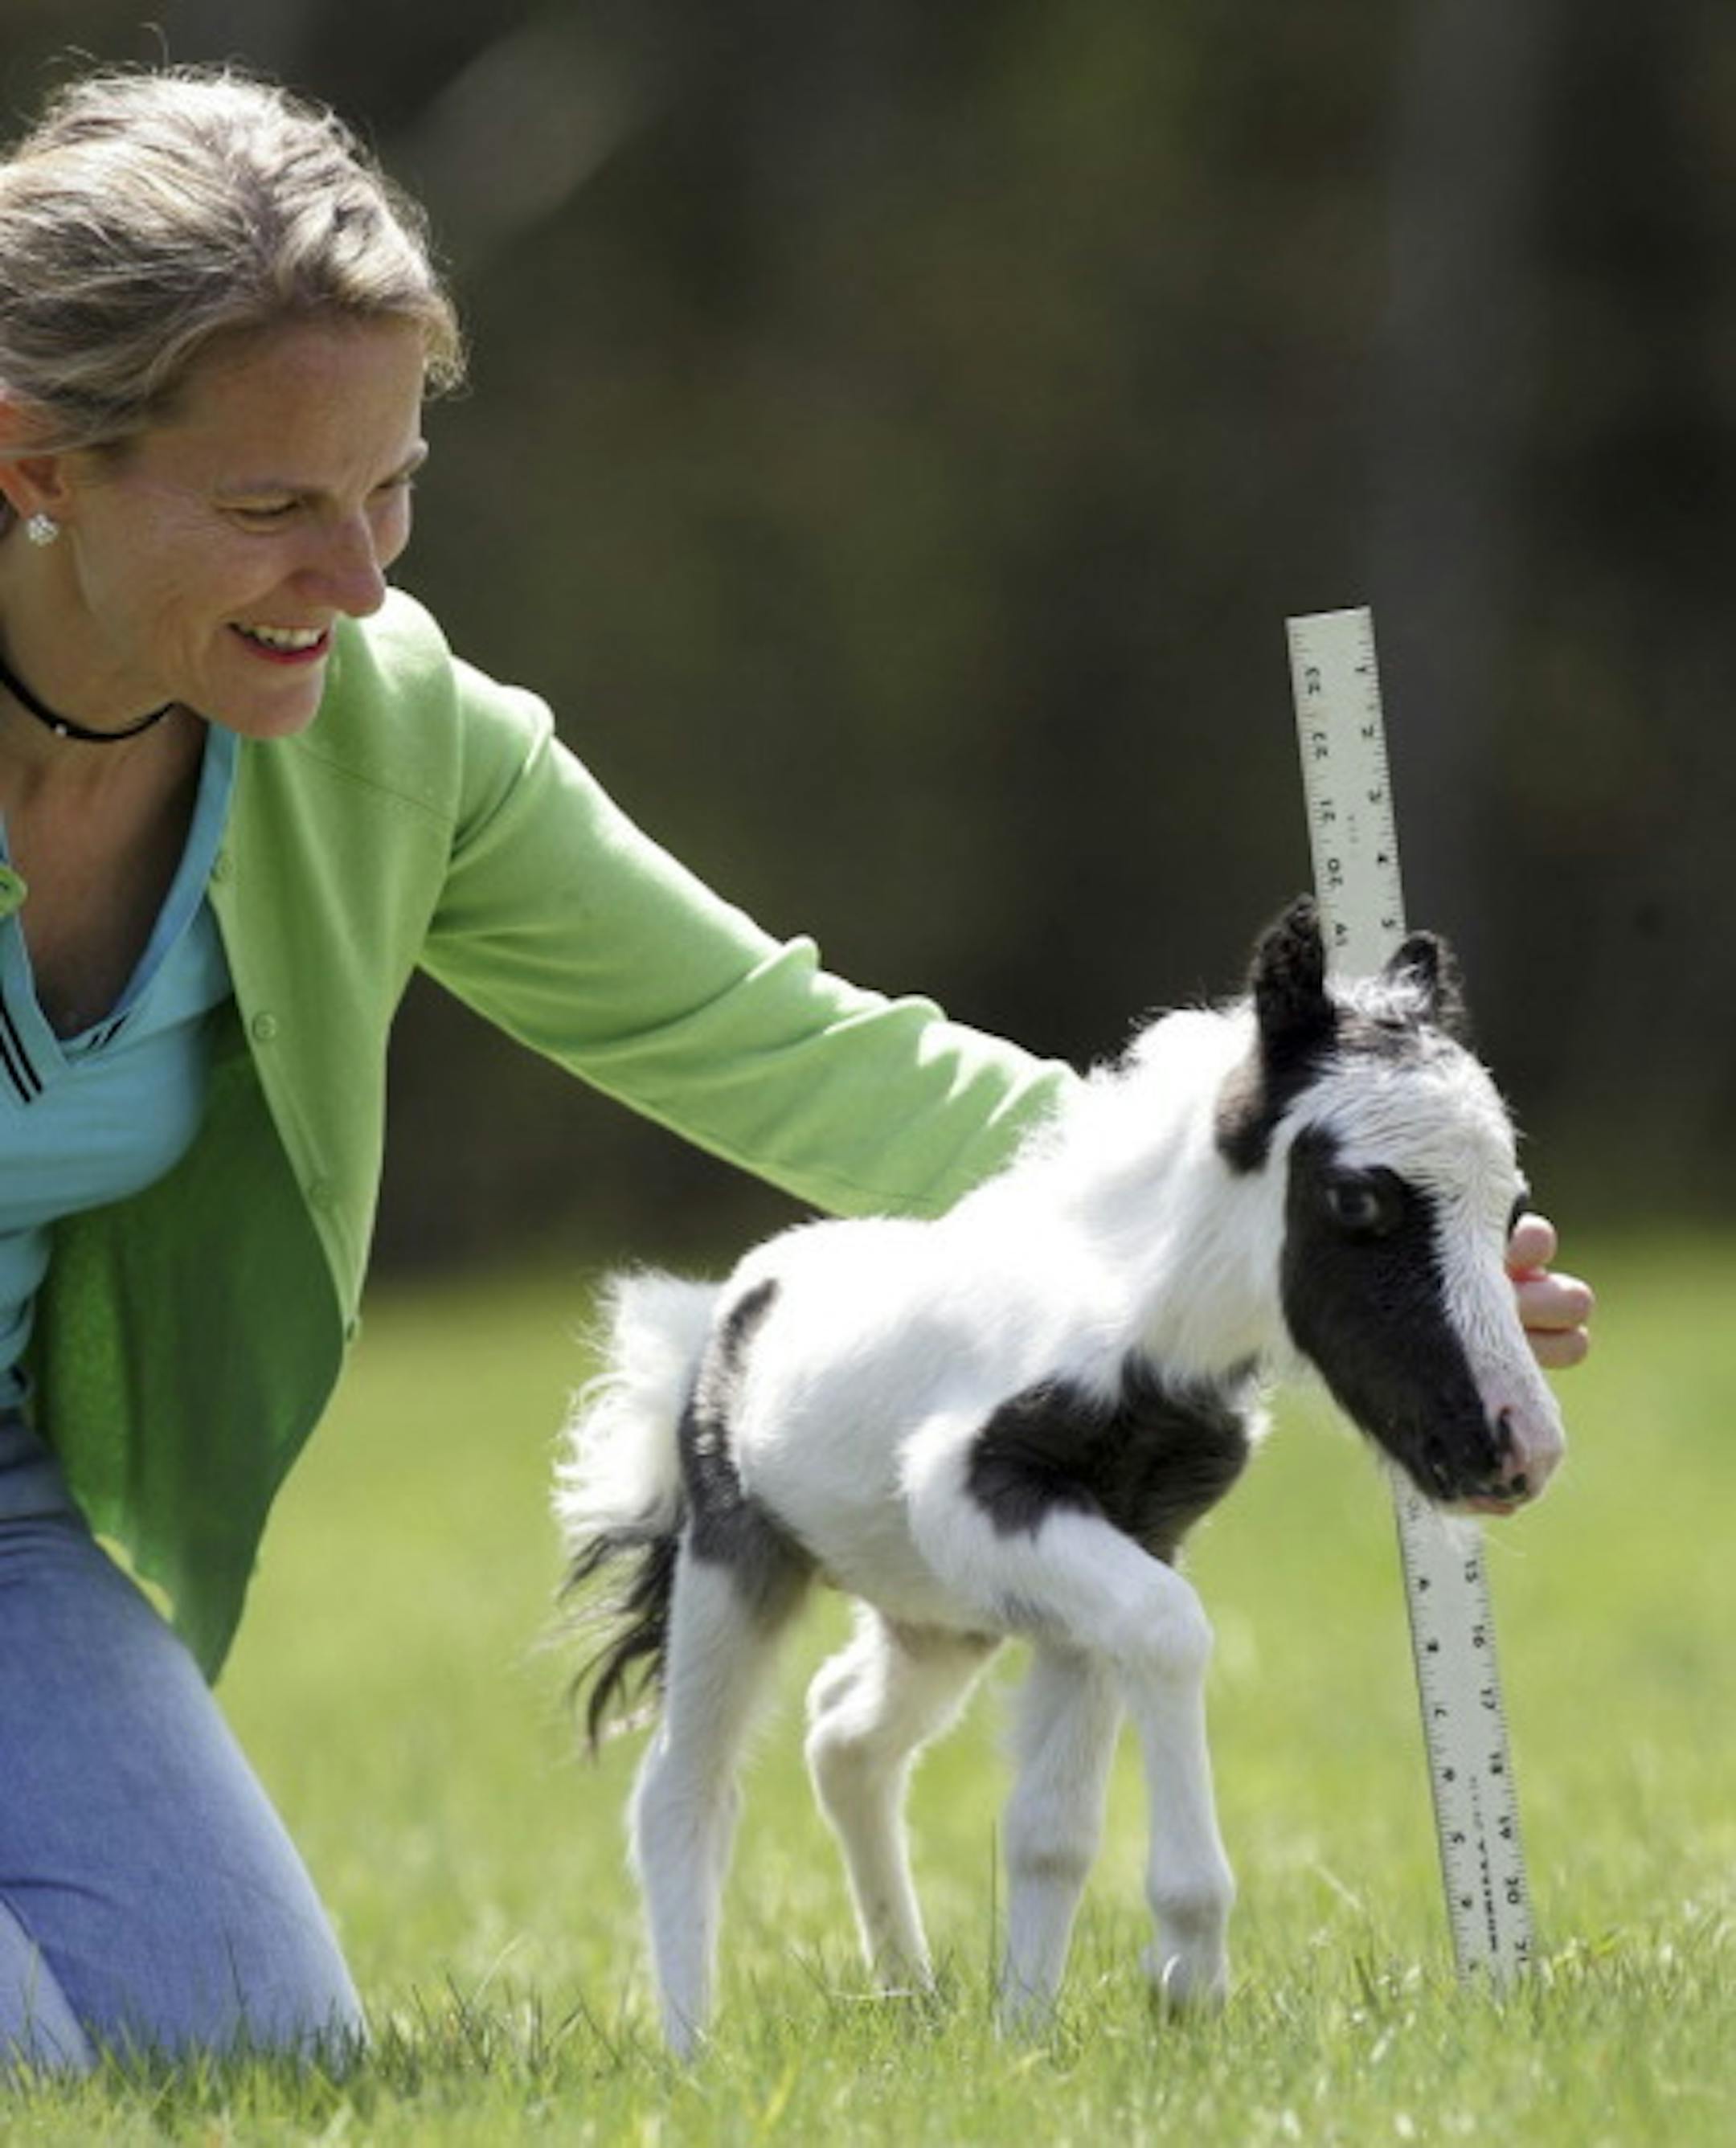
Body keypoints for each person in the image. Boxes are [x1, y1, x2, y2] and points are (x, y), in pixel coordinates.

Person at [0, 63, 1592, 2070]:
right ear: (37, 461)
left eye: (391, 484)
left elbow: (790, 1048)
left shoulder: (387, 741)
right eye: (271, 508)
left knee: (234, 2052)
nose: (365, 577)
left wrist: (1273, 1215)